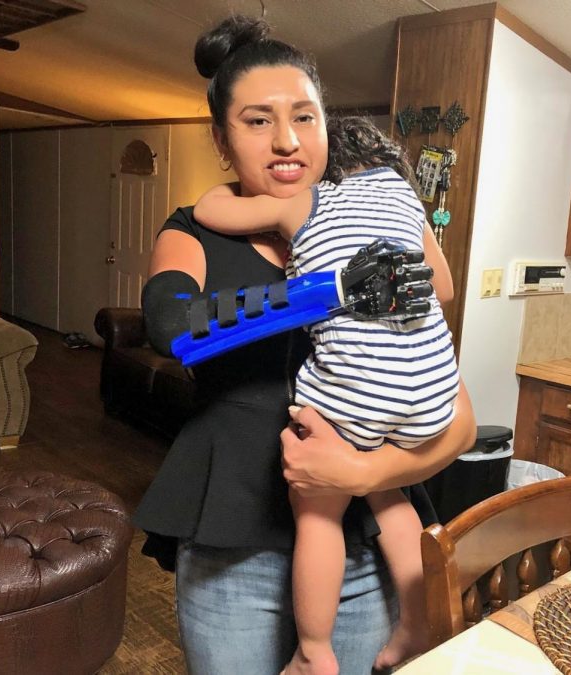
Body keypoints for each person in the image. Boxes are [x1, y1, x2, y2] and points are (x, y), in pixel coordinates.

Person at [134, 14, 476, 675]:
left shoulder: (371, 213)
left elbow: (457, 421)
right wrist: (333, 291)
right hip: (237, 553)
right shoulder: (196, 231)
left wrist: (364, 474)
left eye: (305, 117)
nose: (286, 139)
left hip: (362, 548)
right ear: (222, 138)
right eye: (258, 120)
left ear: (326, 124)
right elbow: (172, 328)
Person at [192, 115, 460, 674]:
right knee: (392, 496)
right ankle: (415, 624)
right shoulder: (403, 194)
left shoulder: (303, 200)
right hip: (432, 384)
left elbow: (210, 212)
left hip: (357, 390)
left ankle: (314, 651)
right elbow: (445, 284)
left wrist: (231, 189)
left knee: (319, 509)